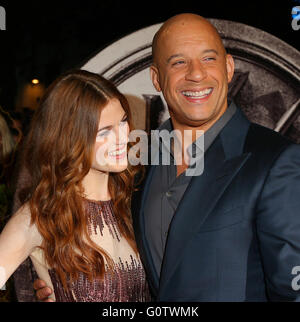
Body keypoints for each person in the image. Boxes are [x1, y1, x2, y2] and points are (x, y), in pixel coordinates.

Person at [36, 13, 300, 302]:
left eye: (209, 59)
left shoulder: (276, 162)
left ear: (228, 68)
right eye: (178, 62)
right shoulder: (137, 166)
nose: (196, 74)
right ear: (156, 79)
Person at [0, 69, 150, 302]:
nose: (122, 138)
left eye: (122, 122)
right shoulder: (39, 216)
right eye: (104, 132)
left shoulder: (133, 202)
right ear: (70, 137)